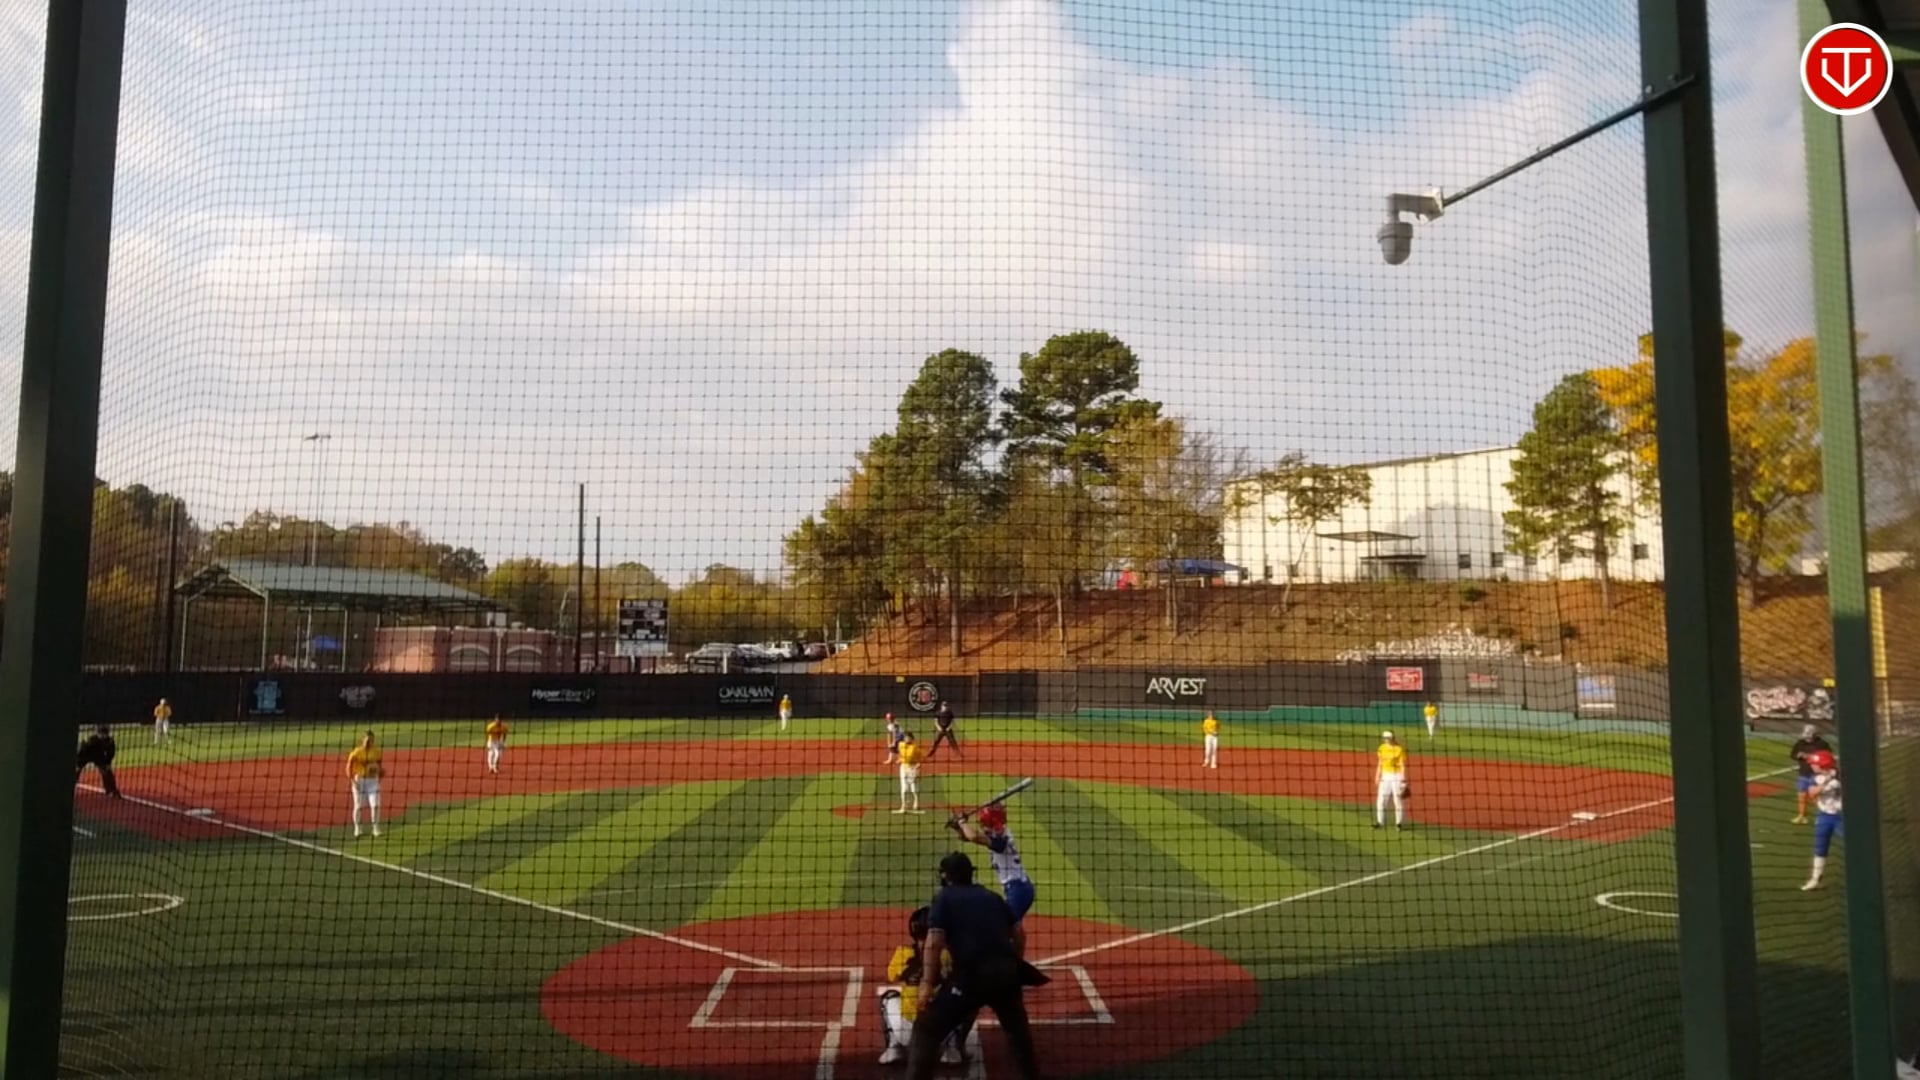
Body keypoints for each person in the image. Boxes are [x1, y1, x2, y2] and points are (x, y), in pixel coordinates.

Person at [906, 851, 1045, 1080]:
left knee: (926, 1029)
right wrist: (1013, 966)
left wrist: (927, 983)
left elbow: (933, 943)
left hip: (971, 977)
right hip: (1006, 975)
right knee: (1018, 1033)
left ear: (945, 876)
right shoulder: (992, 897)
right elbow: (1018, 934)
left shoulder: (944, 897)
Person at [875, 906, 959, 1065]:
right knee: (960, 997)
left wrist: (912, 975)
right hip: (938, 1033)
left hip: (906, 1034)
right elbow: (954, 975)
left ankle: (894, 1048)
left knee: (888, 997)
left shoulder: (903, 953)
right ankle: (952, 1050)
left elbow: (892, 976)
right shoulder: (946, 954)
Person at [952, 805, 1036, 921]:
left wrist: (962, 822)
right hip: (1018, 888)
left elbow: (974, 836)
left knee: (1003, 924)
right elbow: (966, 837)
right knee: (1011, 924)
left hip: (1018, 890)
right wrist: (958, 827)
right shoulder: (997, 833)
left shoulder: (1001, 839)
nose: (982, 826)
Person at [1801, 749, 1843, 891]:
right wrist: (1828, 781)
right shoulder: (1815, 778)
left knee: (1851, 844)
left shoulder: (1840, 776)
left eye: (1814, 763)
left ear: (1823, 764)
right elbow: (1812, 793)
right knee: (1820, 847)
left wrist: (1833, 778)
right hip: (1824, 816)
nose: (1812, 765)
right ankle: (1815, 879)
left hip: (1841, 816)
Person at [1789, 723, 1832, 824]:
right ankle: (1802, 816)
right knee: (1801, 795)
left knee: (1814, 796)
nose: (1808, 739)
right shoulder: (1800, 743)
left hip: (1817, 773)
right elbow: (1793, 755)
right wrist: (1798, 755)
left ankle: (1822, 816)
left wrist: (1811, 756)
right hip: (1803, 772)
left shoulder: (1822, 744)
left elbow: (1827, 757)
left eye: (1810, 736)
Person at [346, 730, 384, 838]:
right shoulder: (356, 752)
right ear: (363, 740)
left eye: (370, 740)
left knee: (375, 805)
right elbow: (349, 766)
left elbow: (379, 766)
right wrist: (352, 780)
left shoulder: (376, 752)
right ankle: (357, 828)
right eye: (367, 740)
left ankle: (375, 829)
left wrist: (379, 776)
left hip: (372, 782)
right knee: (358, 806)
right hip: (360, 781)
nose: (368, 742)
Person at [1373, 730, 1408, 831]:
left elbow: (1402, 766)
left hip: (1397, 776)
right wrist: (1377, 776)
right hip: (1385, 776)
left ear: (1392, 738)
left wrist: (1403, 780)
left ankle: (1398, 823)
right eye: (1385, 738)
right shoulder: (1381, 748)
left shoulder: (1399, 749)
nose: (1386, 740)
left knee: (1398, 800)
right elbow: (1380, 763)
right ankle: (1380, 822)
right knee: (1381, 800)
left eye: (1388, 738)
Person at [75, 724, 122, 799]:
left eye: (105, 732)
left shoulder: (110, 741)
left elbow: (110, 754)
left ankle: (111, 790)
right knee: (76, 771)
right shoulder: (91, 741)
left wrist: (107, 763)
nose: (104, 735)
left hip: (99, 756)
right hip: (86, 755)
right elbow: (82, 752)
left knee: (107, 772)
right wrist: (78, 764)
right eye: (102, 732)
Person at [894, 732, 926, 815]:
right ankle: (904, 805)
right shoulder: (900, 745)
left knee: (914, 789)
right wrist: (899, 759)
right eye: (905, 737)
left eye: (908, 737)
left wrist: (919, 764)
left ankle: (916, 801)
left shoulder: (915, 747)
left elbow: (922, 757)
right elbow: (900, 754)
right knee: (904, 789)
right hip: (903, 768)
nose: (907, 739)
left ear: (912, 739)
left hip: (913, 768)